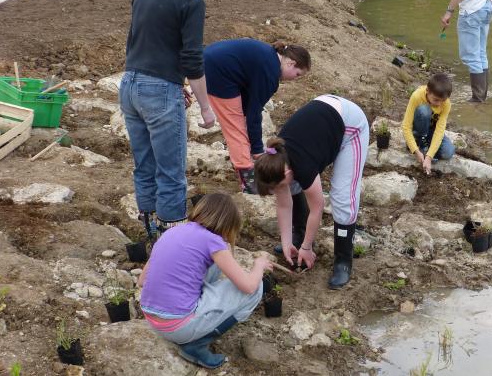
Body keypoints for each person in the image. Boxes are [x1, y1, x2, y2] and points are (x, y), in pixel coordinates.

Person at [120, 0, 217, 235]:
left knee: (144, 165)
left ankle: (151, 232)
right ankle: (172, 241)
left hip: (130, 84)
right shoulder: (190, 0)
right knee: (172, 172)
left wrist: (175, 85)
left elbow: (138, 42)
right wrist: (205, 107)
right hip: (159, 90)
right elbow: (192, 59)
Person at [138, 193, 274, 369]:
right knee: (256, 288)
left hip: (152, 319)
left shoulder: (172, 232)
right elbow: (248, 286)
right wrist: (258, 265)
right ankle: (197, 345)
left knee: (210, 264)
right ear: (228, 223)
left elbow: (142, 281)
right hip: (178, 327)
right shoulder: (214, 241)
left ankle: (196, 313)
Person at [254, 95, 369, 290]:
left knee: (342, 197)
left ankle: (343, 260)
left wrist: (307, 248)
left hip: (350, 125)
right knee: (290, 187)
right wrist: (286, 241)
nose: (278, 192)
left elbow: (318, 208)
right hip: (322, 117)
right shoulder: (276, 159)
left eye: (277, 186)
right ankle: (297, 236)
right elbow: (283, 204)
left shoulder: (303, 166)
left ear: (287, 172)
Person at [204, 40, 310, 194]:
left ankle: (245, 159)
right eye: (298, 74)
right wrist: (258, 151)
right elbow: (254, 114)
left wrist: (254, 144)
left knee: (240, 120)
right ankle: (248, 179)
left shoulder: (270, 59)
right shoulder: (270, 74)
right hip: (217, 71)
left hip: (213, 60)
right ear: (291, 63)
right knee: (235, 126)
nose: (295, 78)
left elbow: (249, 102)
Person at [401, 73, 456, 175]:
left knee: (448, 152)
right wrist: (415, 150)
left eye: (442, 101)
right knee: (424, 110)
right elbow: (406, 127)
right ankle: (419, 144)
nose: (439, 104)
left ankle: (426, 149)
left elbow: (439, 131)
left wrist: (429, 156)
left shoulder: (446, 104)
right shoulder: (417, 96)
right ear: (427, 91)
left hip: (431, 132)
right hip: (418, 129)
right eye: (436, 100)